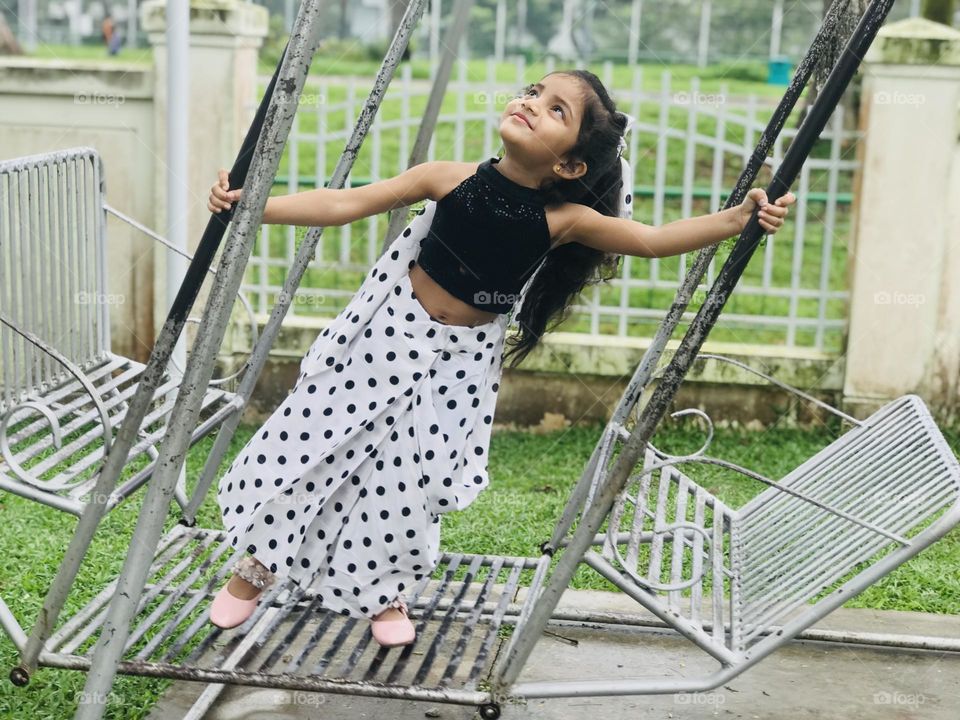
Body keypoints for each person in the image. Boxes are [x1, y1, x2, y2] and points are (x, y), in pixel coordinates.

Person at [204, 69, 796, 647]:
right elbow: (347, 203)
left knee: (411, 474)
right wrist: (254, 206)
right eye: (535, 93)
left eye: (556, 109)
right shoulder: (446, 177)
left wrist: (739, 219)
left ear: (569, 165)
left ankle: (383, 591)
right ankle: (256, 570)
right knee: (322, 446)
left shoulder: (567, 221)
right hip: (387, 335)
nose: (533, 103)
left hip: (458, 362)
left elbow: (651, 240)